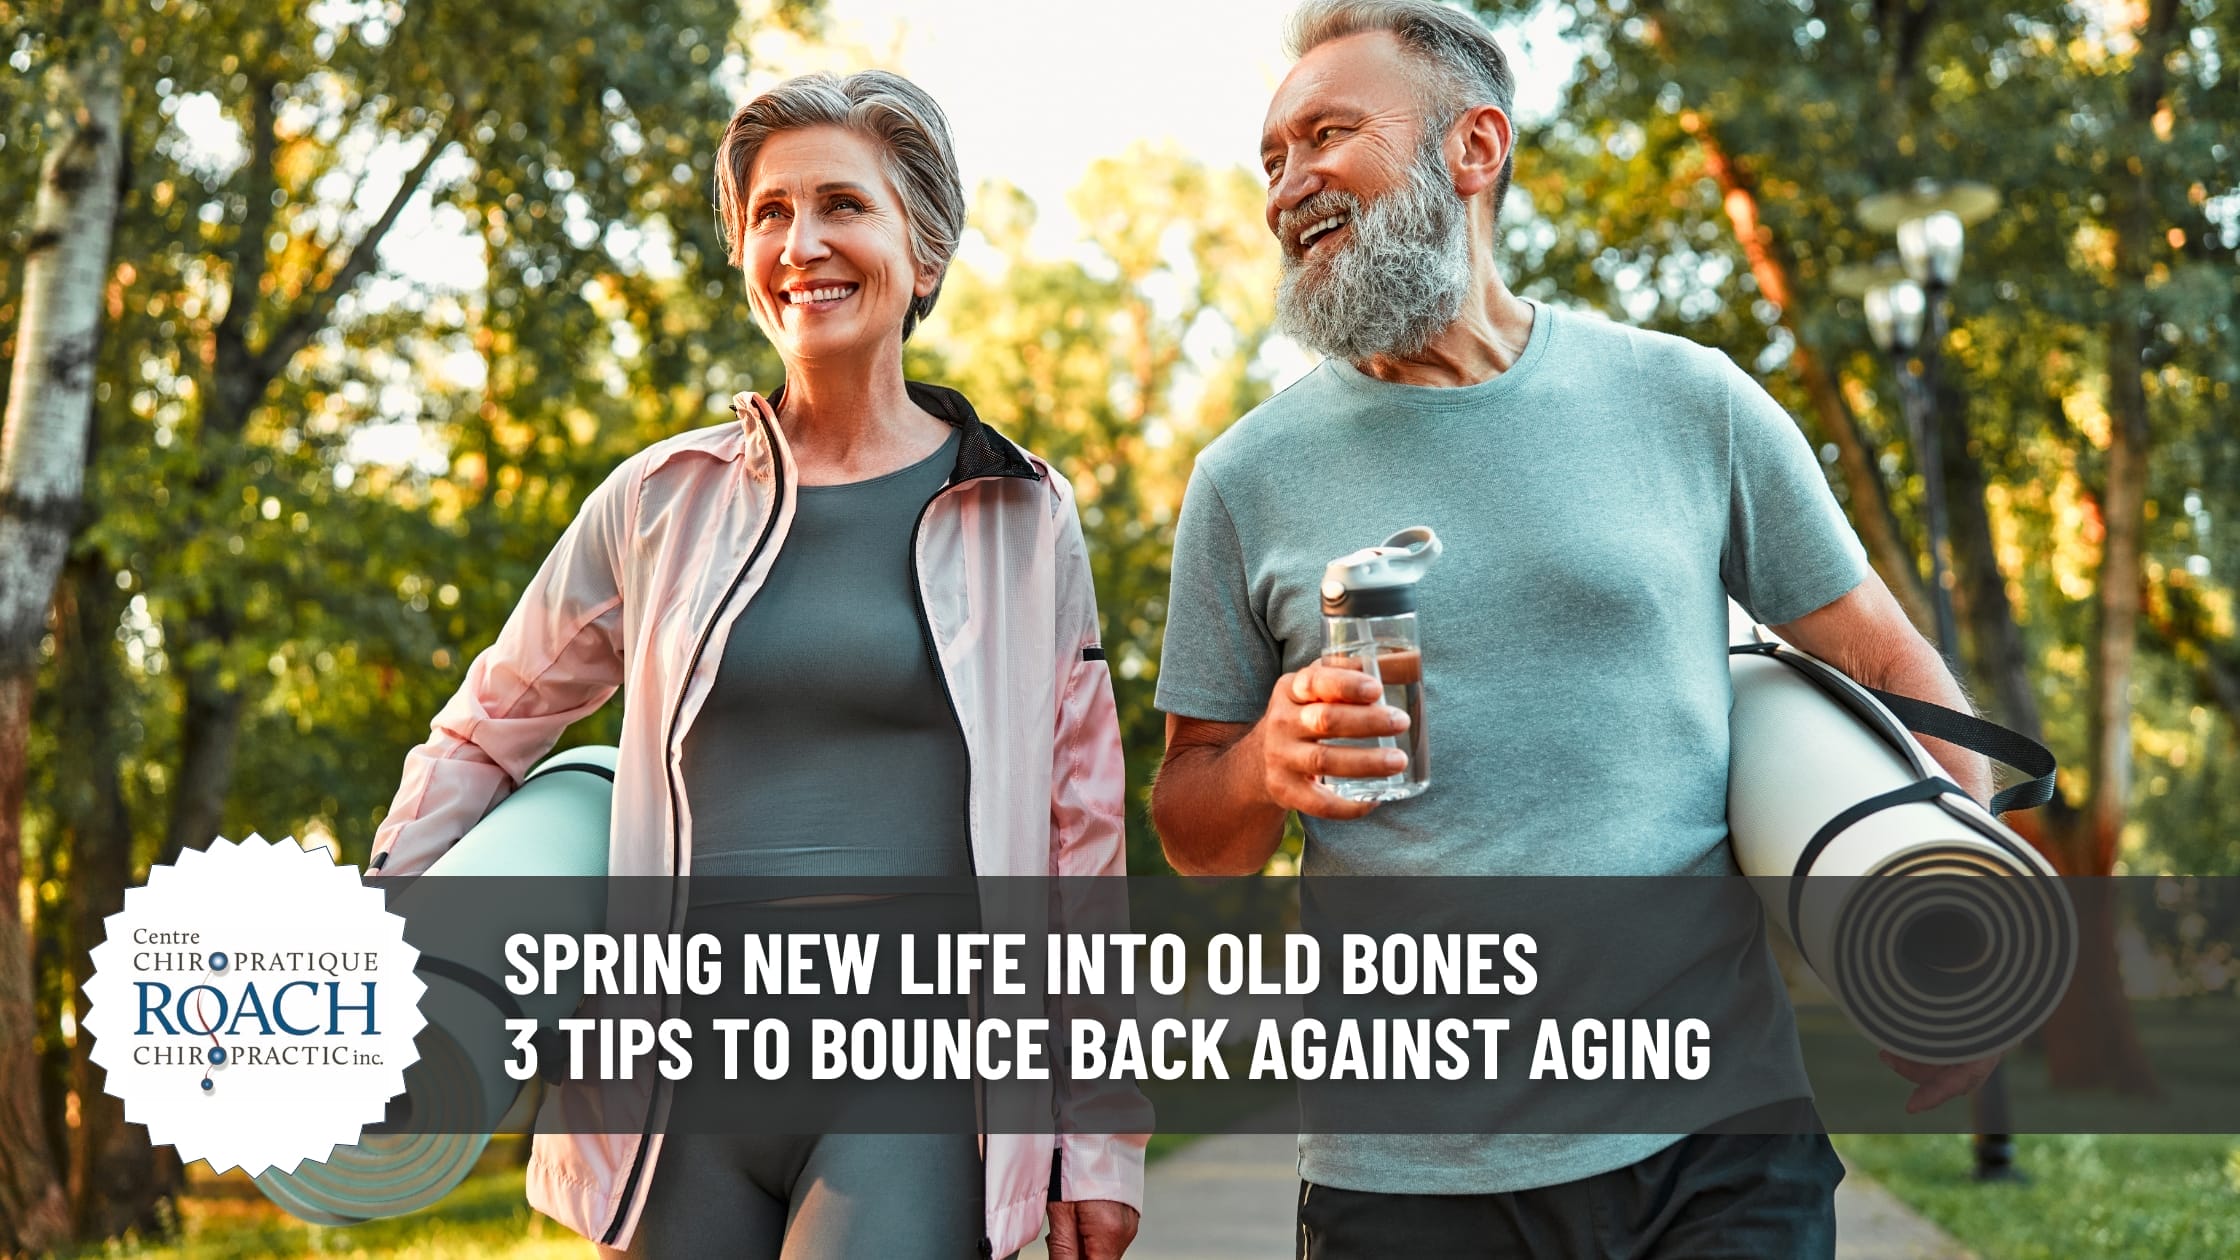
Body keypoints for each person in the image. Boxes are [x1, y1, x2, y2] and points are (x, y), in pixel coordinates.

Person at [1150, 2, 1997, 1255]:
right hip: (1407, 1174)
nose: (1287, 187)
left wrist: (1959, 939)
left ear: (1473, 147)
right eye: (1270, 159)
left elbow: (1885, 664)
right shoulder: (1242, 480)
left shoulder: (1685, 399)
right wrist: (1262, 763)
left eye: (1326, 135)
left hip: (1720, 1136)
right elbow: (1192, 830)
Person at [372, 70, 1142, 1260]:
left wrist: (1095, 1136)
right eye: (770, 213)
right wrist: (377, 936)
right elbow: (485, 730)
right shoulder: (657, 501)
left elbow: (1078, 838)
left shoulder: (1020, 513)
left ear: (924, 254)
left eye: (844, 205)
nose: (800, 243)